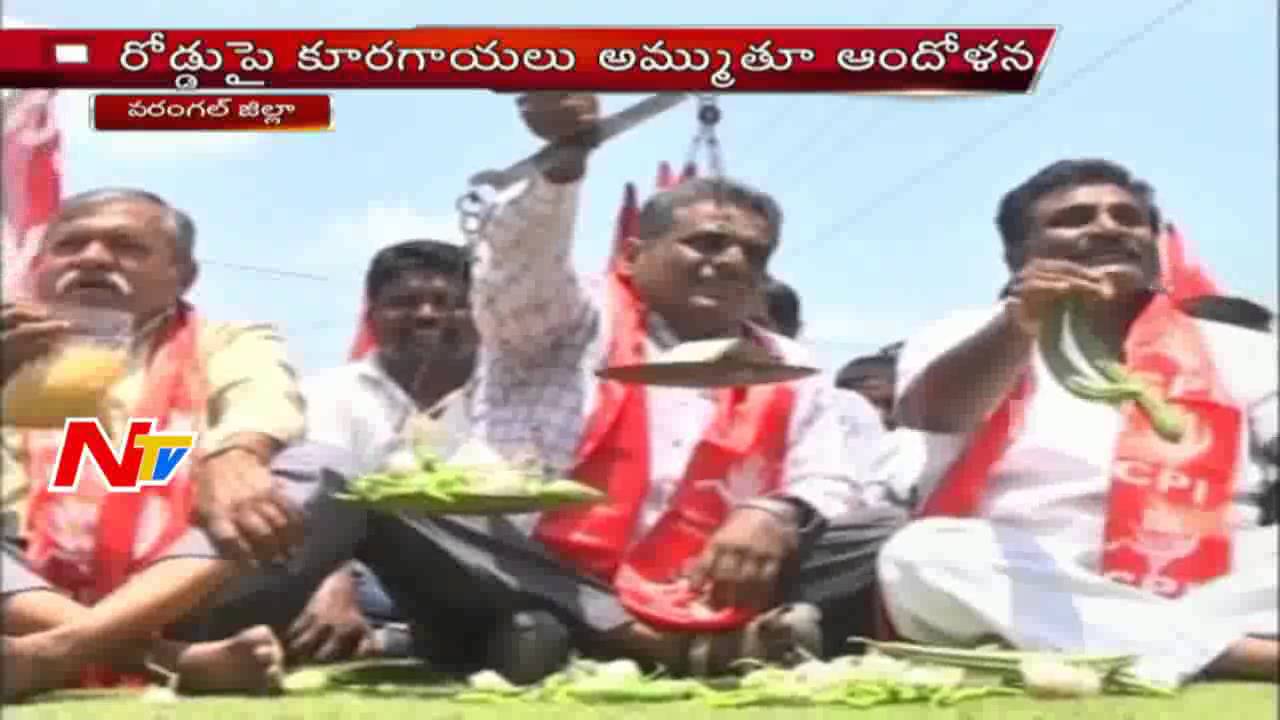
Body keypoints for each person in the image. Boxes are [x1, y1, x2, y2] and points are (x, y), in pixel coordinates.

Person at [438, 91, 890, 677]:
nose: (729, 260)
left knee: (882, 533)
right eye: (705, 242)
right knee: (400, 508)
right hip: (545, 565)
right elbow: (518, 274)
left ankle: (576, 639)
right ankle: (648, 642)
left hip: (709, 574)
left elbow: (827, 476)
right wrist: (561, 169)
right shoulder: (572, 317)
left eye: (752, 253)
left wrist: (773, 514)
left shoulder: (789, 366)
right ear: (633, 253)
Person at [878, 159, 1278, 687]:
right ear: (1016, 253)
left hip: (1216, 569)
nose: (1109, 227)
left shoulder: (1242, 347)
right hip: (1039, 567)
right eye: (1076, 218)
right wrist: (1021, 325)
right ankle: (1235, 654)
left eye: (1129, 218)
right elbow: (933, 412)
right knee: (922, 557)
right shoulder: (964, 331)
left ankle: (1104, 640)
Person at [0, 189, 362, 699]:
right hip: (23, 589)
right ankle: (172, 662)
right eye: (70, 245)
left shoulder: (231, 341)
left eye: (126, 246)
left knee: (325, 467)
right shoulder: (8, 343)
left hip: (195, 587)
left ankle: (61, 650)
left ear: (182, 275)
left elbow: (261, 400)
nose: (93, 258)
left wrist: (238, 453)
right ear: (39, 266)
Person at [297, 239, 478, 663]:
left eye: (449, 303)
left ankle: (406, 642)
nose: (428, 315)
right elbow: (314, 503)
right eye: (404, 302)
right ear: (372, 315)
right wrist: (332, 579)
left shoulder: (511, 398)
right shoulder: (327, 395)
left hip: (483, 580)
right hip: (365, 583)